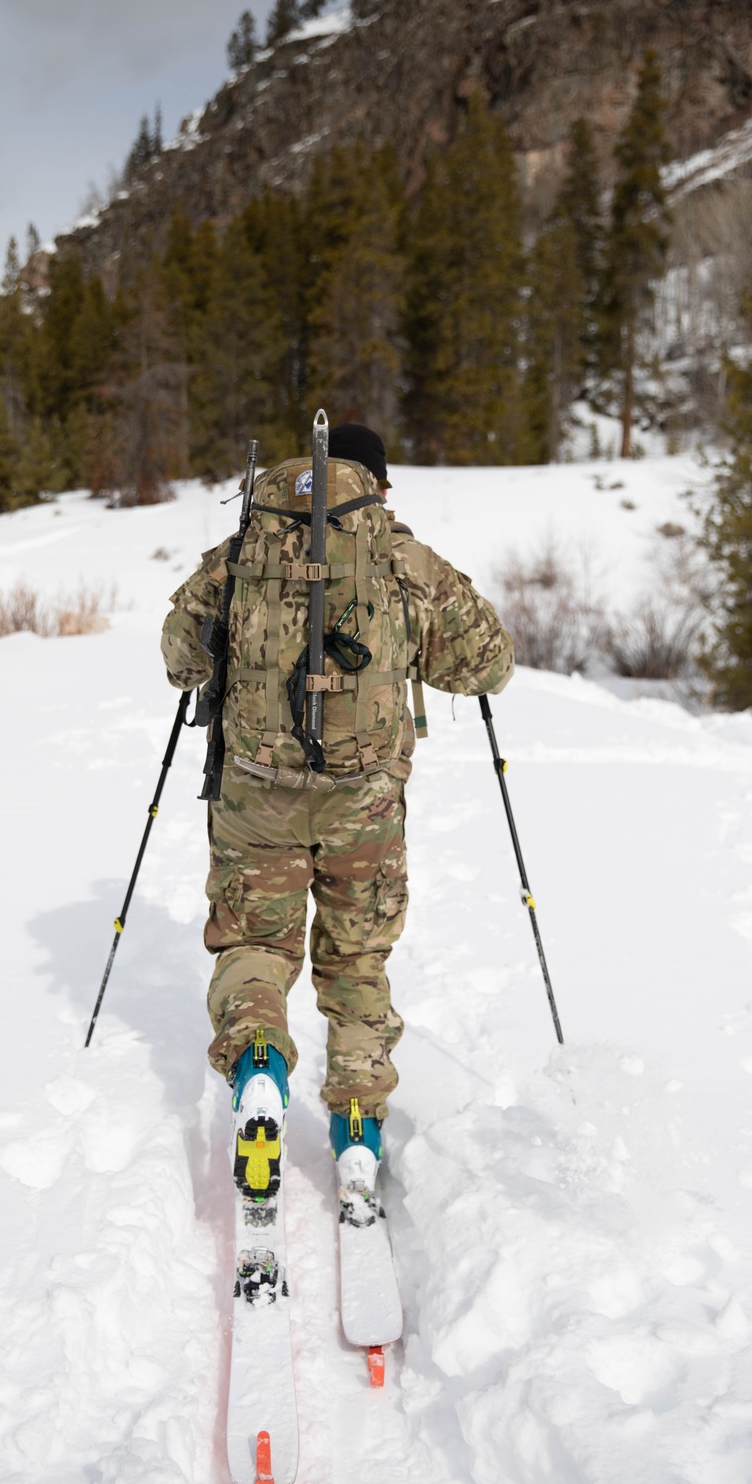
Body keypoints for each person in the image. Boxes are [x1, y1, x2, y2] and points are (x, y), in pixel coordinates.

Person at [160, 424, 514, 1203]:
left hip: (255, 796)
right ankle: (356, 1123)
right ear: (380, 486)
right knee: (357, 960)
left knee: (256, 941)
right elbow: (490, 664)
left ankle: (258, 1066)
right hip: (365, 805)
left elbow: (179, 655)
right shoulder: (402, 557)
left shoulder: (244, 549)